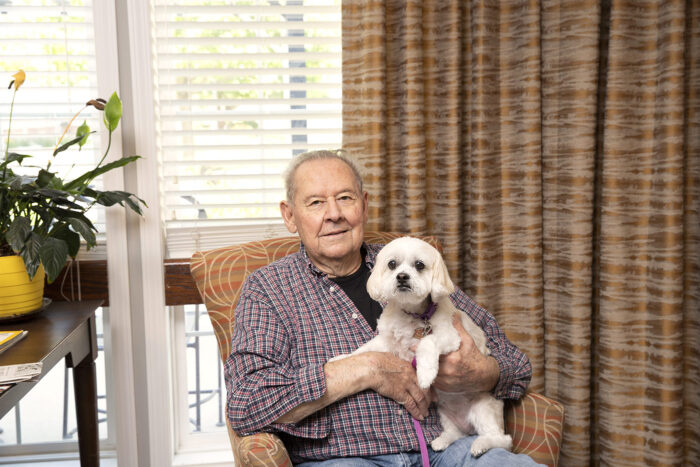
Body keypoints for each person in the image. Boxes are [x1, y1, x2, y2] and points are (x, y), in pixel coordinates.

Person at [225, 150, 539, 466]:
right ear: (290, 215)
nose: (334, 214)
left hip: (449, 448)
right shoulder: (267, 289)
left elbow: (517, 365)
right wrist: (368, 368)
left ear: (364, 204)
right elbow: (247, 403)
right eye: (316, 202)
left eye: (345, 198)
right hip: (348, 458)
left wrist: (479, 372)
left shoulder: (409, 263)